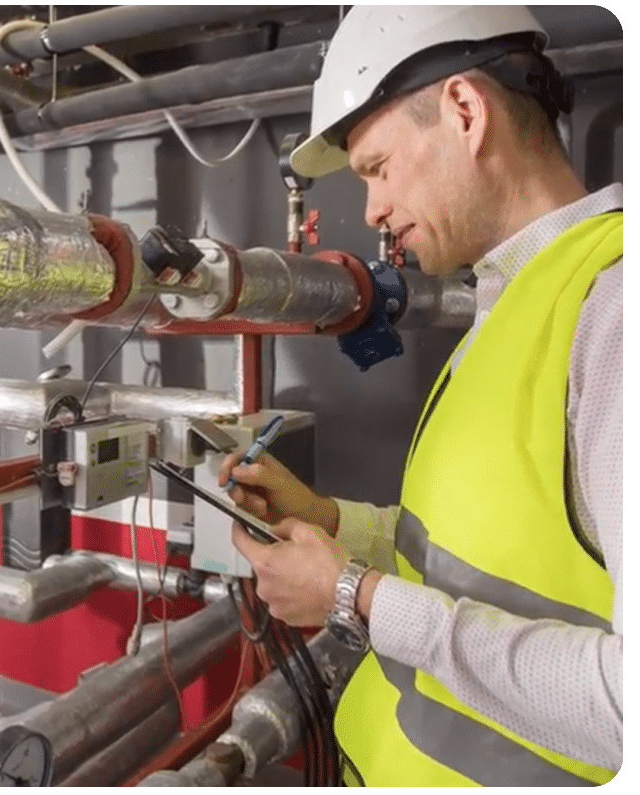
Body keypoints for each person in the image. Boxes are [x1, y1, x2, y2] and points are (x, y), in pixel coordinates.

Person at [220, 5, 622, 787]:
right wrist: (332, 523)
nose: (369, 210)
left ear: (465, 112)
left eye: (376, 167)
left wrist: (353, 595)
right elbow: (479, 553)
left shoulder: (611, 311)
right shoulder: (515, 300)